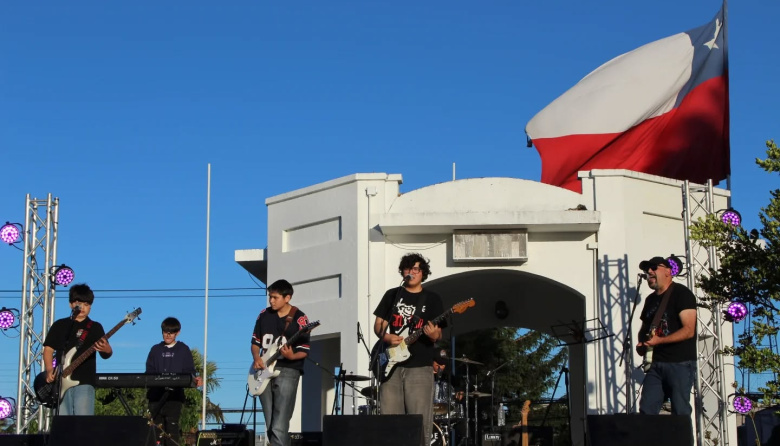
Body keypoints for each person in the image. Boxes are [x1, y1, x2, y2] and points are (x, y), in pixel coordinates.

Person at [373, 253, 445, 446]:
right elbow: (379, 325)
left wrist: (432, 335)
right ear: (403, 271)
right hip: (391, 367)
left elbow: (439, 334)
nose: (412, 272)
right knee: (389, 420)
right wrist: (387, 336)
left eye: (416, 269)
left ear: (423, 273)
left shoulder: (432, 299)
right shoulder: (392, 295)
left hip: (420, 366)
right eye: (408, 268)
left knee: (419, 421)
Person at [636, 256, 697, 418]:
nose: (649, 271)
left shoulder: (682, 294)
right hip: (656, 364)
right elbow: (645, 328)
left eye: (654, 267)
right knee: (647, 411)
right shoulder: (650, 300)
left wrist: (659, 341)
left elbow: (689, 329)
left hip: (680, 363)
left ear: (668, 271)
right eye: (647, 269)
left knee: (680, 411)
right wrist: (642, 343)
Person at [251, 279, 311, 446]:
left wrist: (292, 356)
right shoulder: (263, 315)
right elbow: (255, 342)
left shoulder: (300, 318)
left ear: (287, 298)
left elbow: (304, 350)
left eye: (275, 297)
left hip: (288, 370)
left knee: (280, 421)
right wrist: (256, 358)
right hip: (264, 370)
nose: (271, 300)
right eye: (270, 297)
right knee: (270, 422)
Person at [43, 283, 113, 415]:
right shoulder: (60, 325)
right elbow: (48, 349)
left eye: (87, 305)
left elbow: (107, 354)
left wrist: (106, 348)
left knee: (83, 421)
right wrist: (49, 369)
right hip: (60, 382)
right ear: (71, 304)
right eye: (80, 304)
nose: (83, 308)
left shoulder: (95, 327)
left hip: (84, 381)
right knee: (62, 424)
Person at [146, 317, 202, 446]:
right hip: (155, 397)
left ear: (178, 333)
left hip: (174, 398)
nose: (168, 335)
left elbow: (190, 372)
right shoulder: (155, 350)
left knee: (172, 430)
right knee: (155, 431)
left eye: (171, 332)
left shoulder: (183, 349)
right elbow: (149, 372)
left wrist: (195, 379)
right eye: (165, 332)